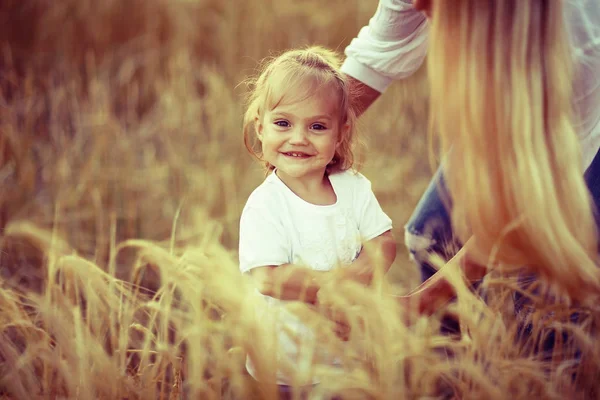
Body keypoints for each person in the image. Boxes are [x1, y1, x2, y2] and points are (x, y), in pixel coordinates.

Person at [341, 0, 600, 291]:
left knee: (534, 295)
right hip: (525, 105)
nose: (415, 3)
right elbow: (376, 53)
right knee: (433, 241)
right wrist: (297, 128)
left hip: (576, 130)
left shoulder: (575, 49)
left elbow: (523, 209)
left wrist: (421, 304)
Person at [238, 46, 397, 398]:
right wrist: (334, 290)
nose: (298, 138)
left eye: (317, 126)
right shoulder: (266, 205)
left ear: (340, 133)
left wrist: (352, 283)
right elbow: (269, 277)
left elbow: (382, 243)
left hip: (346, 358)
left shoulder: (353, 187)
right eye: (283, 123)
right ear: (260, 127)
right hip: (282, 366)